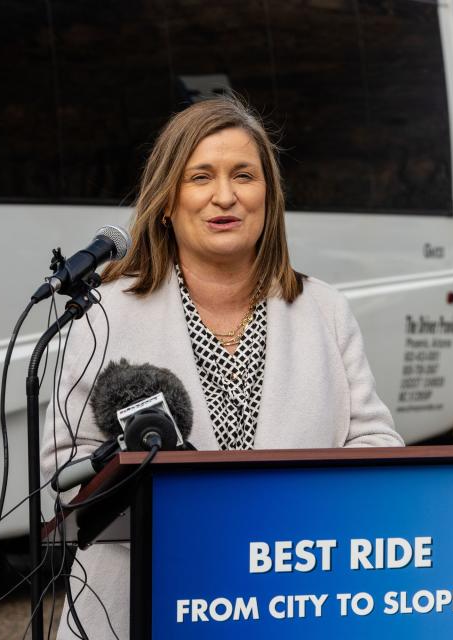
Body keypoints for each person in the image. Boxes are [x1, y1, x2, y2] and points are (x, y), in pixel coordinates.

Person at [40, 97, 404, 638]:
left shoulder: (324, 309)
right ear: (167, 200)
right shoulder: (102, 315)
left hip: (287, 603)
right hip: (136, 606)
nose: (225, 196)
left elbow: (376, 444)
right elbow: (62, 470)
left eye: (244, 175)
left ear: (269, 196)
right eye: (201, 176)